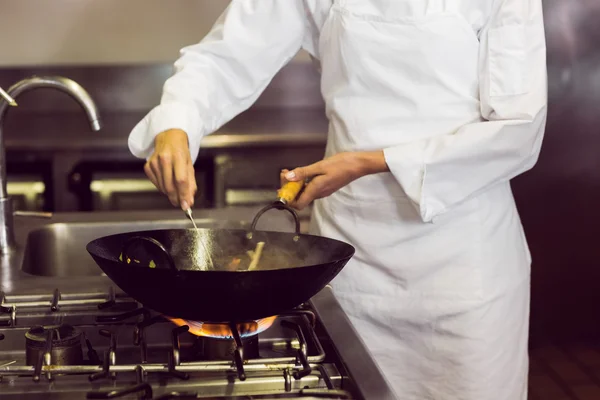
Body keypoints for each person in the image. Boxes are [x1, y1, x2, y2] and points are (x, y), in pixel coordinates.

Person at [128, 1, 548, 398]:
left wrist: (370, 162)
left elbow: (518, 128)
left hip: (462, 278)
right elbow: (229, 54)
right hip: (348, 268)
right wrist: (178, 121)